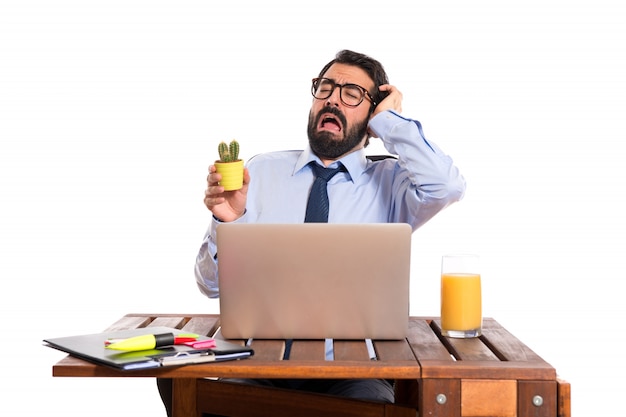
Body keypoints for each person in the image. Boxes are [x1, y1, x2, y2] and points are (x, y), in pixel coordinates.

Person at [158, 49, 466, 415]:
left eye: (352, 93)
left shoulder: (395, 182)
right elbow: (209, 287)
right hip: (259, 364)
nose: (333, 98)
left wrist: (392, 122)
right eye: (326, 87)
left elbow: (447, 187)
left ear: (373, 114)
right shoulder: (261, 172)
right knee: (188, 389)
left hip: (356, 371)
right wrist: (227, 220)